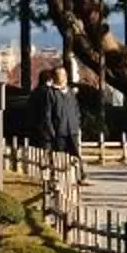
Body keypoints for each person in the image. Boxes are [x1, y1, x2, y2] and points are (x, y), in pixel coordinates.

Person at [36, 69, 84, 201]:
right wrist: (52, 131)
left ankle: (80, 176)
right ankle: (61, 179)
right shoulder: (51, 93)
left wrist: (77, 122)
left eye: (64, 75)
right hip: (59, 130)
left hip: (72, 129)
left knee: (75, 154)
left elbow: (76, 109)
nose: (62, 77)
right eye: (59, 75)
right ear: (55, 77)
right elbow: (47, 114)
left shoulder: (70, 92)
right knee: (61, 156)